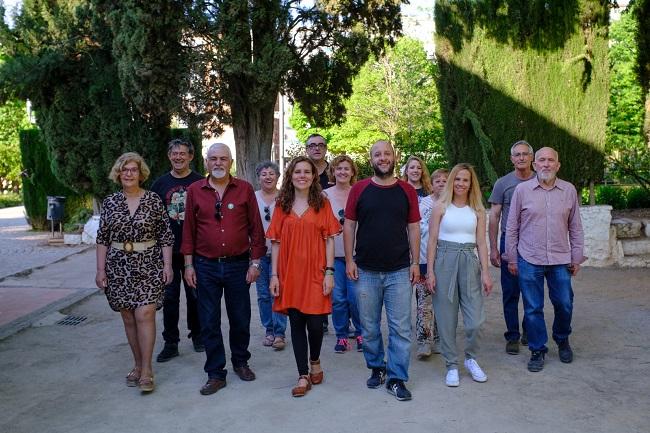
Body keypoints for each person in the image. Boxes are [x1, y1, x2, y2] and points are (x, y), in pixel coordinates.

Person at [181, 143, 266, 395]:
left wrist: (255, 263)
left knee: (240, 318)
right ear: (206, 163)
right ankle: (216, 373)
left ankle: (241, 362)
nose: (218, 163)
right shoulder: (195, 190)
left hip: (238, 265)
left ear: (231, 162)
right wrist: (188, 265)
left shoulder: (245, 189)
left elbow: (256, 231)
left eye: (223, 159)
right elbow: (188, 232)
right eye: (213, 159)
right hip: (204, 266)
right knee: (208, 321)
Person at [344, 140, 420, 402]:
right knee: (369, 326)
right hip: (365, 270)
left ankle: (397, 377)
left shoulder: (407, 191)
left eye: (387, 153)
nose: (383, 158)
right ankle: (376, 367)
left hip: (399, 270)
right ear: (371, 158)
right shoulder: (359, 189)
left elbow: (413, 228)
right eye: (378, 154)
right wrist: (350, 260)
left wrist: (414, 262)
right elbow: (349, 226)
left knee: (400, 327)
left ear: (394, 156)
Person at [95, 152, 174, 393]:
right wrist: (100, 270)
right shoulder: (109, 202)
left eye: (133, 169)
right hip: (118, 266)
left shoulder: (152, 200)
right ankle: (137, 364)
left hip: (149, 263)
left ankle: (147, 369)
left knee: (145, 314)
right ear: (118, 173)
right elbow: (102, 238)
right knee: (128, 317)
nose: (129, 173)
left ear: (141, 173)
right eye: (125, 169)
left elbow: (165, 235)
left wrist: (167, 265)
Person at [505, 147, 584, 373]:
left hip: (560, 258)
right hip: (529, 258)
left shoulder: (568, 190)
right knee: (532, 308)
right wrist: (512, 257)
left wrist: (576, 256)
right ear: (535, 164)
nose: (546, 164)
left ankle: (562, 339)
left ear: (558, 165)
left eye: (551, 160)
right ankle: (537, 349)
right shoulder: (522, 190)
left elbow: (575, 227)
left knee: (564, 302)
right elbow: (512, 227)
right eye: (542, 160)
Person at [267, 156, 340, 397]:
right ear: (291, 175)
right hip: (290, 273)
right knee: (296, 323)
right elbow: (275, 243)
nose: (302, 175)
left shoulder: (322, 203)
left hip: (317, 271)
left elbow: (330, 240)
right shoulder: (282, 204)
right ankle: (302, 374)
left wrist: (330, 272)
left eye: (307, 171)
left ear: (313, 176)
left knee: (316, 324)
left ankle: (315, 360)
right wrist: (275, 275)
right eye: (297, 171)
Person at [426, 163, 493, 388]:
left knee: (476, 320)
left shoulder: (478, 210)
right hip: (444, 259)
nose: (461, 184)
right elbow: (432, 240)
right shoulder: (440, 207)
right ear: (451, 181)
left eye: (465, 180)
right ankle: (451, 365)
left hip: (468, 259)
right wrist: (430, 272)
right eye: (457, 179)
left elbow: (482, 243)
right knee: (446, 318)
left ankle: (471, 358)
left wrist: (485, 272)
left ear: (471, 183)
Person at [151, 138, 205, 363]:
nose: (178, 157)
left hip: (196, 252)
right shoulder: (159, 184)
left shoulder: (201, 183)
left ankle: (199, 336)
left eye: (183, 153)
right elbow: (152, 219)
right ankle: (171, 342)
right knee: (170, 298)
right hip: (168, 254)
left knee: (196, 297)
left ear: (191, 156)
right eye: (174, 153)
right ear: (169, 156)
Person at [488, 140, 536, 355]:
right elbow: (494, 216)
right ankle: (513, 336)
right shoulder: (503, 183)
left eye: (525, 154)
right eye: (517, 155)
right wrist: (493, 248)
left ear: (532, 157)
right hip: (510, 242)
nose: (521, 158)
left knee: (532, 290)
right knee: (510, 292)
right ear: (511, 159)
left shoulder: (541, 180)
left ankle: (529, 329)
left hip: (535, 243)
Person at [323, 155, 362, 353]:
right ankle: (341, 335)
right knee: (338, 298)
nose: (343, 172)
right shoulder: (324, 196)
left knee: (356, 297)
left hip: (356, 255)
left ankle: (361, 332)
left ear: (352, 172)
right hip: (333, 255)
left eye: (347, 168)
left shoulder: (359, 192)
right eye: (339, 169)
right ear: (333, 171)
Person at [253, 160, 288, 350]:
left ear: (277, 177)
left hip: (281, 254)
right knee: (263, 294)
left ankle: (280, 332)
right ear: (258, 178)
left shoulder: (285, 198)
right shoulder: (252, 198)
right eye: (264, 174)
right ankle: (269, 330)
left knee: (279, 292)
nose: (268, 177)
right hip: (259, 254)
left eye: (271, 173)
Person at [414, 167, 448, 359]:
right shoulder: (424, 204)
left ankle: (439, 339)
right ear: (431, 184)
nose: (441, 184)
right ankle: (424, 341)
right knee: (424, 304)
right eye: (438, 181)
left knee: (442, 303)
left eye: (445, 181)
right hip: (425, 260)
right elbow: (417, 232)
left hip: (445, 262)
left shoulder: (452, 204)